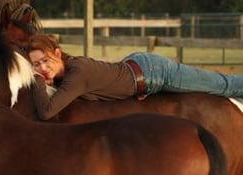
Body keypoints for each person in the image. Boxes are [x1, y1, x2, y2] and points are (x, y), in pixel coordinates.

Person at [26, 34, 243, 120]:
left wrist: (35, 79)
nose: (42, 68)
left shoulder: (77, 72)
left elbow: (46, 112)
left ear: (57, 53)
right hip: (135, 67)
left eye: (45, 60)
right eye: (36, 64)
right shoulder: (68, 75)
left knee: (223, 85)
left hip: (153, 73)